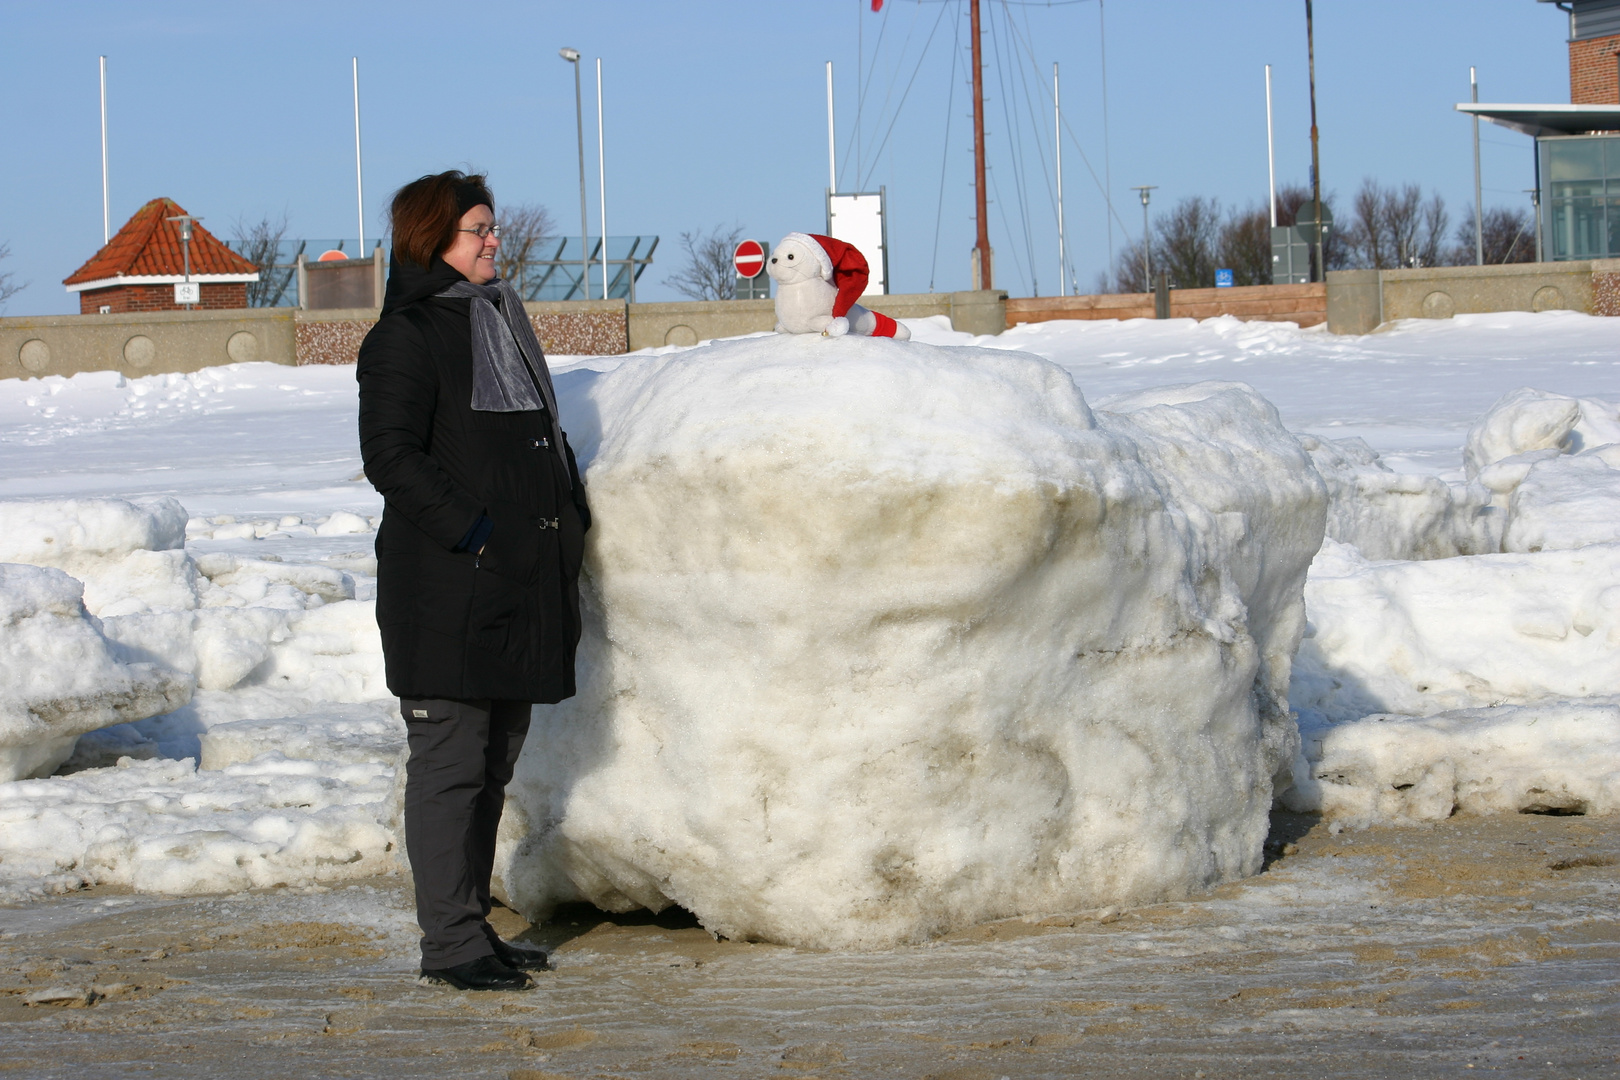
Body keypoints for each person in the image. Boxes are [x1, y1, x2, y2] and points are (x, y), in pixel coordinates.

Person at [357, 171, 590, 992]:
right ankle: (448, 944)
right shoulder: (408, 335)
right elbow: (390, 457)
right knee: (450, 767)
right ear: (432, 240)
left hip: (513, 587)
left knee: (490, 768)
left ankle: (472, 931)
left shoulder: (498, 321)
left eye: (492, 229)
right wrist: (478, 532)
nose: (494, 241)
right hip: (448, 589)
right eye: (478, 231)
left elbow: (534, 442)